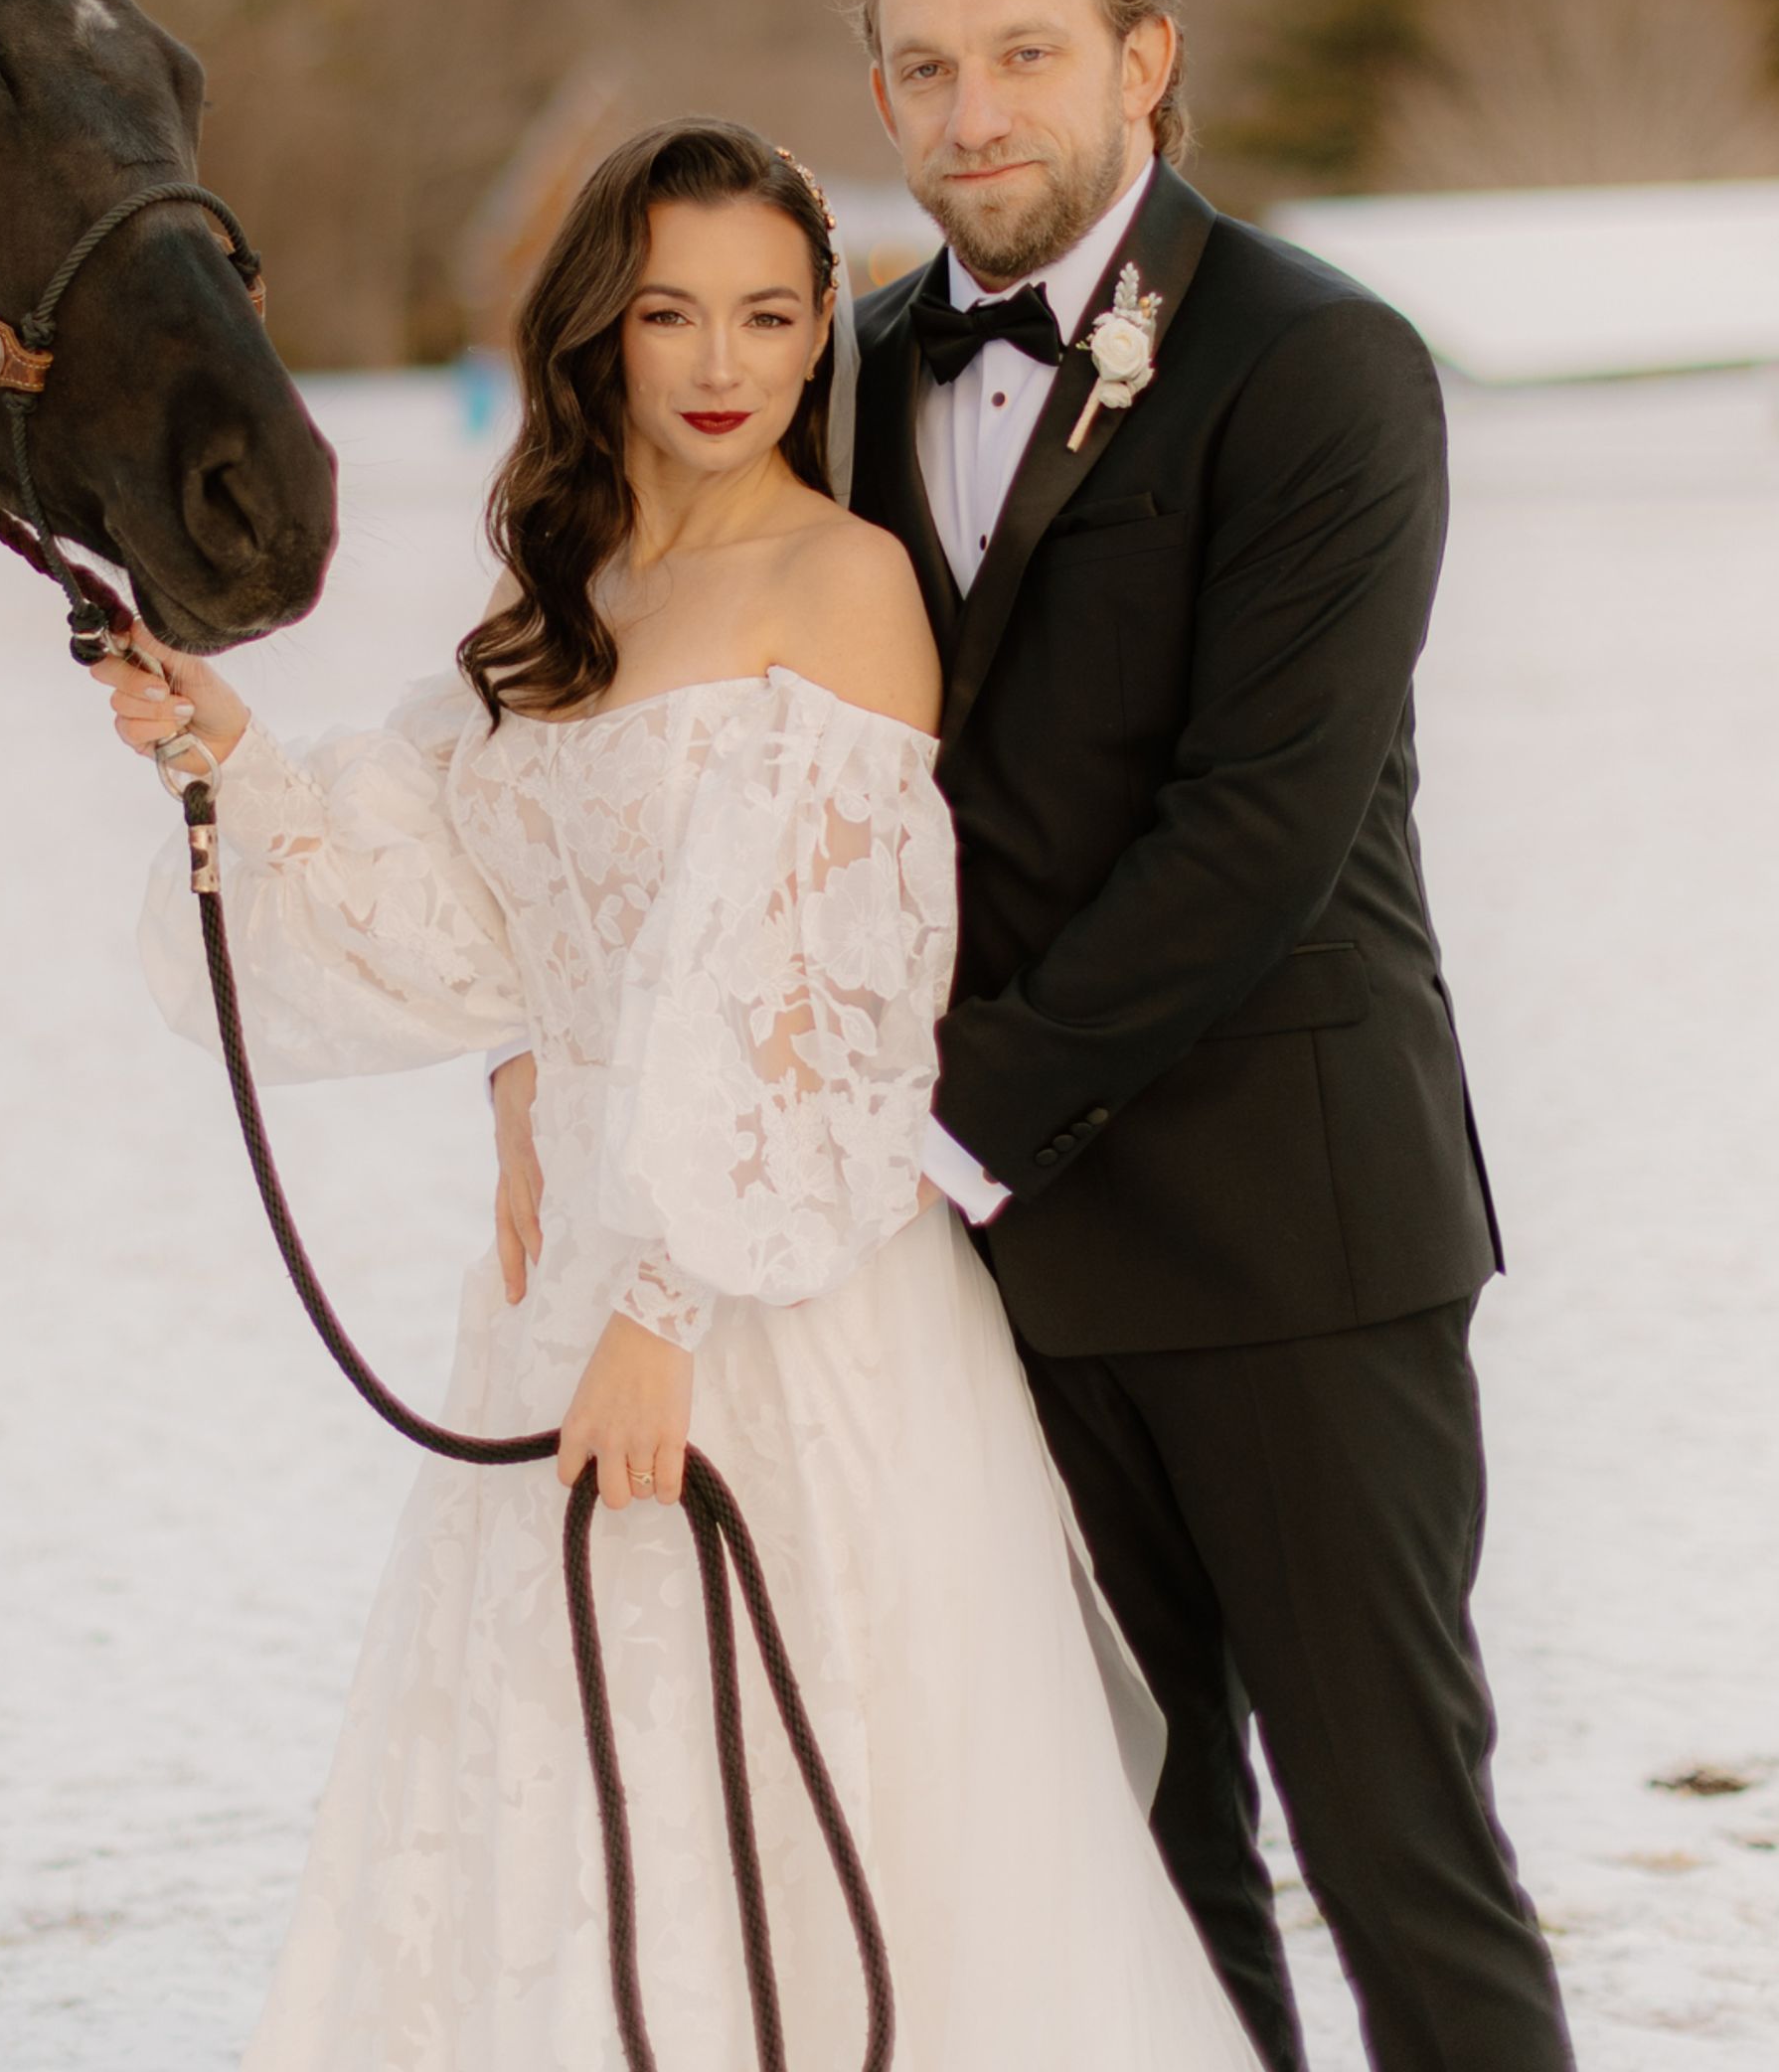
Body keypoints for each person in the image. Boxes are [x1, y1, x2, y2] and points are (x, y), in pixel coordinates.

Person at [101, 120, 1260, 2069]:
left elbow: (839, 1007)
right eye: (669, 313)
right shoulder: (556, 606)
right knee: (563, 1813)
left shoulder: (847, 582)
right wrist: (222, 759)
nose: (722, 361)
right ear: (599, 337)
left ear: (823, 341)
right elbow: (463, 930)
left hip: (769, 1289)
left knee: (816, 1818)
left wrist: (667, 1313)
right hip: (558, 1301)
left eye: (770, 315)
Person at [815, 0, 1576, 2072]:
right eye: (927, 66)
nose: (976, 113)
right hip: (1007, 1290)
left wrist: (949, 1125)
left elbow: (1259, 831)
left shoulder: (1320, 366)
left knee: (1397, 1855)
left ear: (1147, 60)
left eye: (1027, 53)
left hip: (1292, 1248)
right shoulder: (847, 383)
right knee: (1140, 1877)